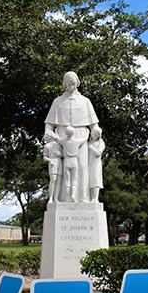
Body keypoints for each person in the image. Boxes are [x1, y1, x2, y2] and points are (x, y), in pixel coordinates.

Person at [44, 72, 99, 202]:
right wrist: (48, 133)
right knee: (63, 170)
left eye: (73, 84)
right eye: (69, 84)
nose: (72, 87)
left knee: (82, 165)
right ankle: (63, 199)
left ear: (78, 82)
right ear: (64, 84)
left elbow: (94, 124)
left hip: (81, 134)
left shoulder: (85, 101)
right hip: (61, 136)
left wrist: (96, 129)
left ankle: (84, 197)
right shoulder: (58, 102)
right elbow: (49, 124)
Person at [56, 126, 89, 202]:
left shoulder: (64, 141)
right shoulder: (76, 141)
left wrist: (56, 131)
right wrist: (87, 132)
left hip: (66, 161)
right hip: (74, 160)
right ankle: (73, 195)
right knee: (74, 180)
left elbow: (57, 138)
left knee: (67, 180)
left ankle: (67, 198)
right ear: (73, 133)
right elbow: (85, 139)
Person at [43, 131, 63, 203]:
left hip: (59, 162)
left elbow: (62, 154)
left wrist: (59, 154)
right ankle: (51, 197)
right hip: (52, 162)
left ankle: (56, 198)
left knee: (59, 181)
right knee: (53, 180)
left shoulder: (58, 145)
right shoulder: (47, 146)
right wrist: (49, 160)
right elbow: (45, 156)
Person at [88, 126, 105, 202]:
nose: (94, 136)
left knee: (95, 179)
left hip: (96, 163)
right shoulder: (89, 142)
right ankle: (90, 197)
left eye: (96, 135)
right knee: (89, 179)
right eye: (93, 134)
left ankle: (95, 198)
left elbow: (98, 153)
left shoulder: (100, 142)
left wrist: (91, 148)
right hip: (89, 163)